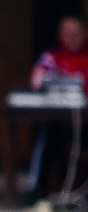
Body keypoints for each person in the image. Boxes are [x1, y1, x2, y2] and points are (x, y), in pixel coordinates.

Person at [25, 17, 88, 201]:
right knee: (46, 139)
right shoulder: (51, 57)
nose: (72, 38)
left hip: (84, 122)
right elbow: (37, 81)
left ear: (83, 34)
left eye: (76, 33)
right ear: (60, 35)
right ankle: (35, 193)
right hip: (59, 121)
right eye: (67, 34)